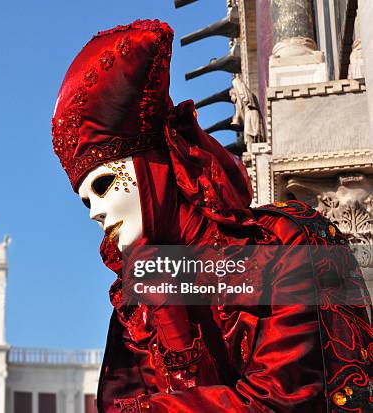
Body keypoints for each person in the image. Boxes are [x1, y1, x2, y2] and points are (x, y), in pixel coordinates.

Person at [51, 19, 372, 412]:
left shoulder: (285, 242)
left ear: (155, 171)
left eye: (102, 187)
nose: (95, 213)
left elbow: (280, 399)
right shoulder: (139, 306)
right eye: (85, 202)